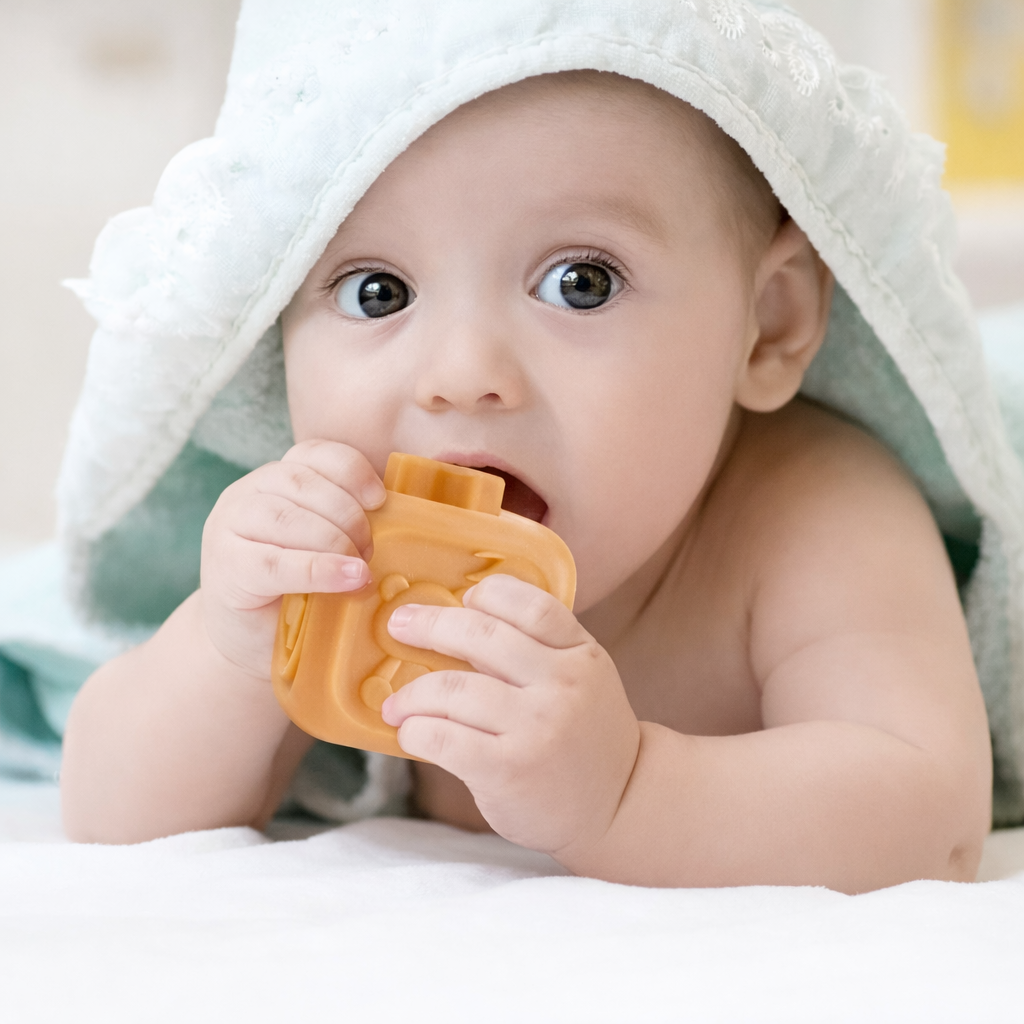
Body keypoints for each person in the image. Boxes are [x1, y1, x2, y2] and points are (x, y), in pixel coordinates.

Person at [49, 2, 1020, 894]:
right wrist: (230, 648)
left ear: (766, 326)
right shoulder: (331, 553)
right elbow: (110, 814)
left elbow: (928, 815)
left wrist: (629, 789)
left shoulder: (813, 510)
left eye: (581, 283)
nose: (462, 373)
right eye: (376, 291)